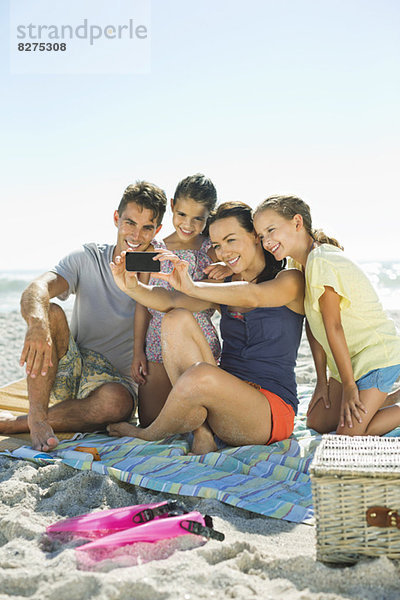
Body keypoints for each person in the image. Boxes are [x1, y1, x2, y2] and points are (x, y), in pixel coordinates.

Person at [107, 202, 305, 454]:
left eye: (231, 240)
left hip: (267, 412)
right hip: (221, 402)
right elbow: (171, 301)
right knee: (176, 318)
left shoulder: (289, 280)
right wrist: (131, 287)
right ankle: (203, 432)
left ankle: (148, 433)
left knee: (201, 375)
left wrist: (191, 285)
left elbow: (252, 296)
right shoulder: (223, 283)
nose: (223, 253)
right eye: (217, 245)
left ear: (256, 236)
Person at [0, 181, 167, 451]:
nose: (136, 235)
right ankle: (38, 416)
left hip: (115, 383)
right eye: (130, 223)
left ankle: (22, 422)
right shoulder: (87, 257)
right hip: (72, 365)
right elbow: (37, 288)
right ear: (116, 218)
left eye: (147, 227)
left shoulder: (161, 268)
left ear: (157, 230)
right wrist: (37, 324)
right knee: (50, 311)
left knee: (117, 403)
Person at [252, 195, 400, 436]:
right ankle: (384, 401)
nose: (267, 241)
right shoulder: (299, 265)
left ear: (297, 223)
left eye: (271, 230)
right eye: (261, 236)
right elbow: (314, 326)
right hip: (348, 363)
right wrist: (322, 381)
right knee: (317, 422)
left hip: (376, 359)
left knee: (348, 437)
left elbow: (334, 327)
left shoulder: (322, 260)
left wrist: (350, 387)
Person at [133, 174, 225, 427]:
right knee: (151, 420)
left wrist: (225, 269)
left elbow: (225, 290)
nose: (188, 224)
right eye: (182, 214)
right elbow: (142, 303)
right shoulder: (154, 248)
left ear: (209, 216)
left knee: (199, 415)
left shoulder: (211, 249)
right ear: (172, 206)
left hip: (197, 337)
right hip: (156, 339)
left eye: (198, 218)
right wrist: (137, 351)